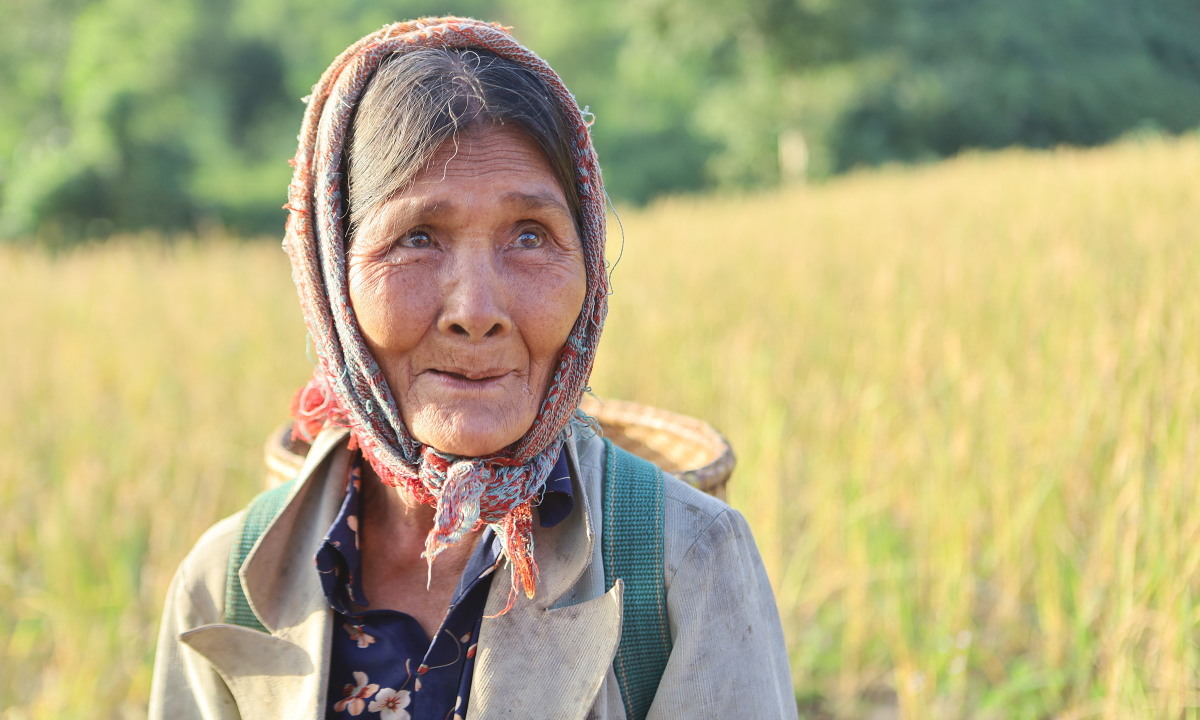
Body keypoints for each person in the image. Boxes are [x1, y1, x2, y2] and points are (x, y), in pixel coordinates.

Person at [150, 17, 796, 720]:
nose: (476, 310)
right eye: (417, 238)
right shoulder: (225, 588)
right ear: (333, 278)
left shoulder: (686, 561)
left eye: (530, 236)